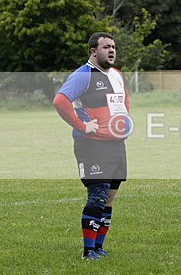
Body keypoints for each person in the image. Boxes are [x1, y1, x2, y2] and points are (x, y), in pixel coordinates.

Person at [53, 32, 132, 260]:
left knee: (110, 196)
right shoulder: (83, 75)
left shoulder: (117, 75)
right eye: (106, 47)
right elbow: (60, 101)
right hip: (92, 145)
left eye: (113, 47)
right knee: (98, 195)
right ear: (93, 51)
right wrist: (82, 125)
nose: (111, 50)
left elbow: (124, 102)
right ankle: (88, 251)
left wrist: (124, 124)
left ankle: (98, 247)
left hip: (116, 145)